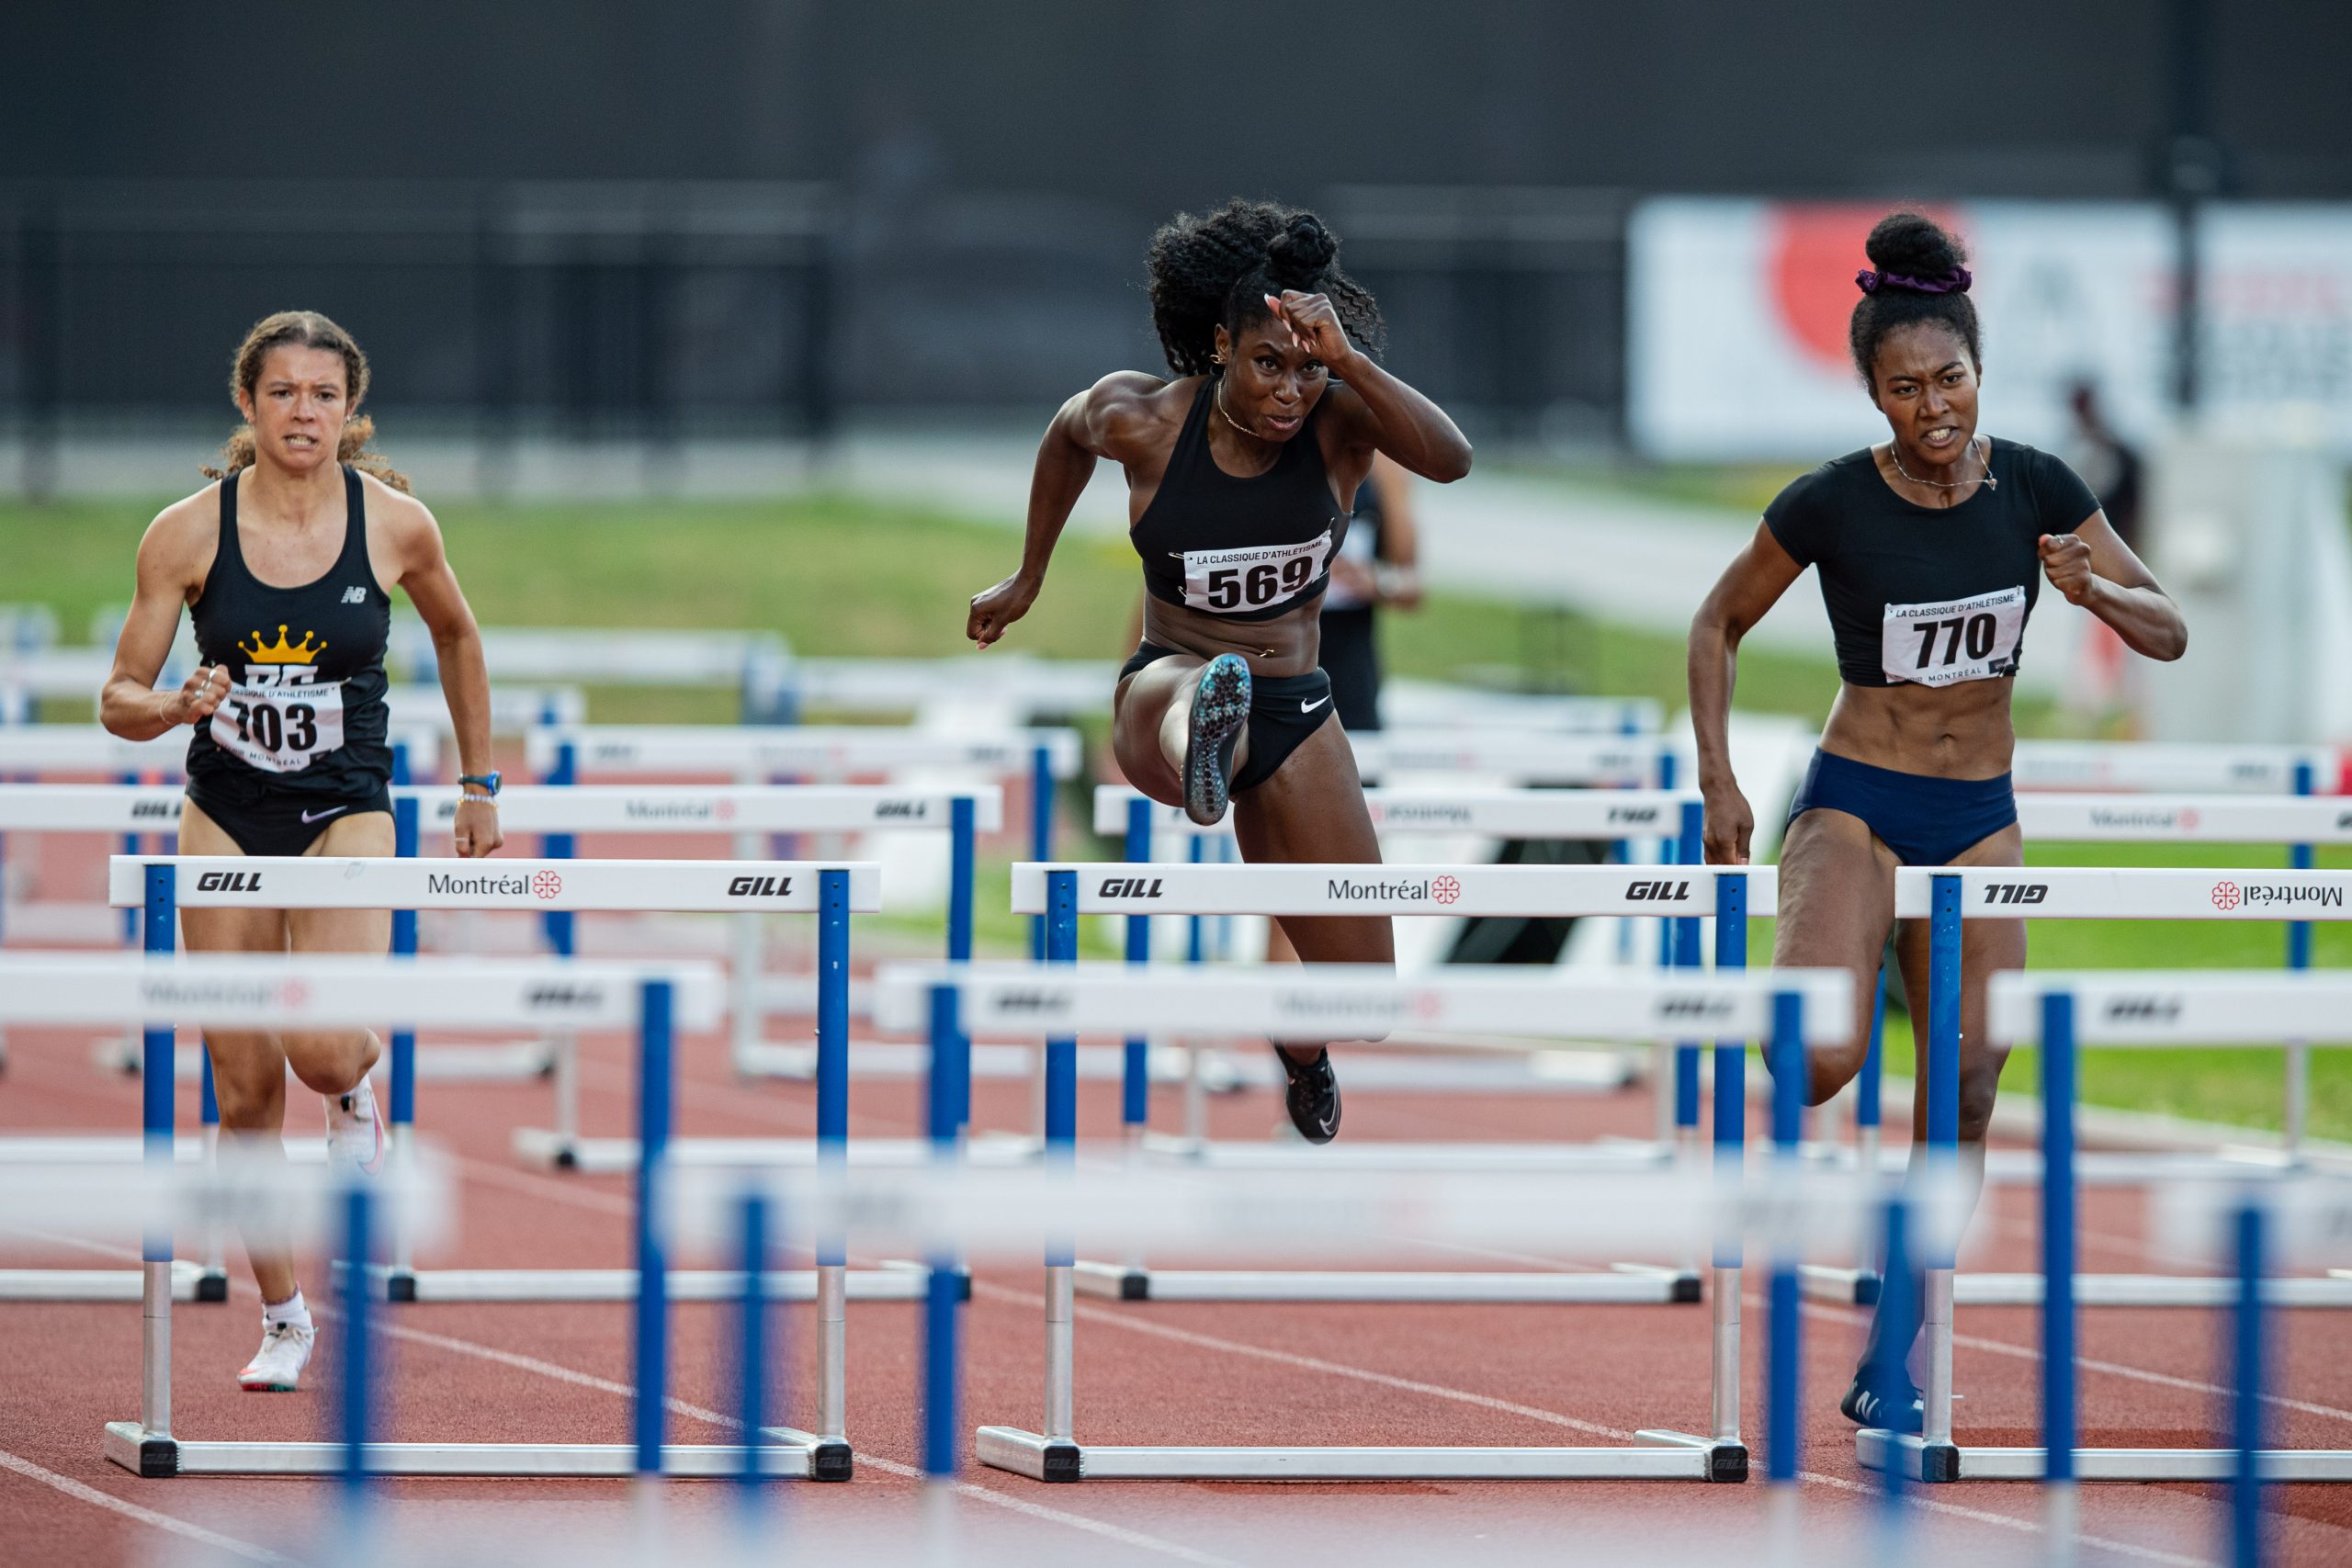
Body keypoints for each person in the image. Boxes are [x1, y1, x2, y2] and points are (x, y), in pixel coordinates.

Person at [1685, 214, 2187, 1427]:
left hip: (1979, 811)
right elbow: (1715, 624)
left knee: (1966, 1083)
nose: (1934, 405)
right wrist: (1720, 780)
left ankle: (1889, 1355)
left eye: (1950, 377)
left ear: (1979, 367)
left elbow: (2168, 628)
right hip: (1859, 797)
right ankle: (1780, 1011)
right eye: (1904, 388)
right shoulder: (1830, 503)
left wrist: (2099, 590)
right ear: (1873, 394)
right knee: (1822, 1063)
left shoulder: (2041, 487)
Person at [967, 200, 1472, 1143]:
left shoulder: (1339, 420)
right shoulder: (1147, 420)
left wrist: (1350, 363)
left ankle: (1300, 1052)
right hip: (1166, 681)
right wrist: (1026, 574)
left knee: (1363, 1001)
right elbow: (1065, 436)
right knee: (1194, 691)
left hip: (1299, 704)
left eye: (1306, 368)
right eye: (1266, 365)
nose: (1289, 391)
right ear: (1218, 348)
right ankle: (1211, 737)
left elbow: (1453, 460)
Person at [101, 310, 503, 1393]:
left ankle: (356, 1091)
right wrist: (177, 703)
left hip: (346, 809)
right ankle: (284, 1318)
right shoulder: (185, 533)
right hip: (226, 812)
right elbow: (116, 699)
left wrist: (477, 784)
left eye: (323, 396)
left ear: (350, 409)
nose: (304, 414)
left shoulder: (397, 525)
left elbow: (459, 636)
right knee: (240, 1094)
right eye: (283, 393)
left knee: (318, 1049)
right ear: (249, 403)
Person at [1318, 452, 1422, 732]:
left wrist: (1375, 581)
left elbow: (1412, 585)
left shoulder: (1383, 464)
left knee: (1354, 766)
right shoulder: (1276, 440)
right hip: (1274, 653)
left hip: (1347, 661)